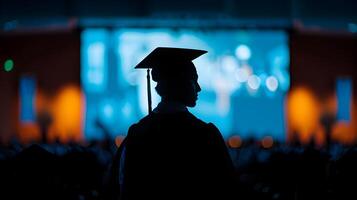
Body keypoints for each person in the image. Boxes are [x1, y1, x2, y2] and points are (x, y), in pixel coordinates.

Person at [110, 47, 235, 200]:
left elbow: (123, 188)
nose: (199, 88)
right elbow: (226, 189)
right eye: (193, 80)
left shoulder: (139, 133)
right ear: (179, 84)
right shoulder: (204, 134)